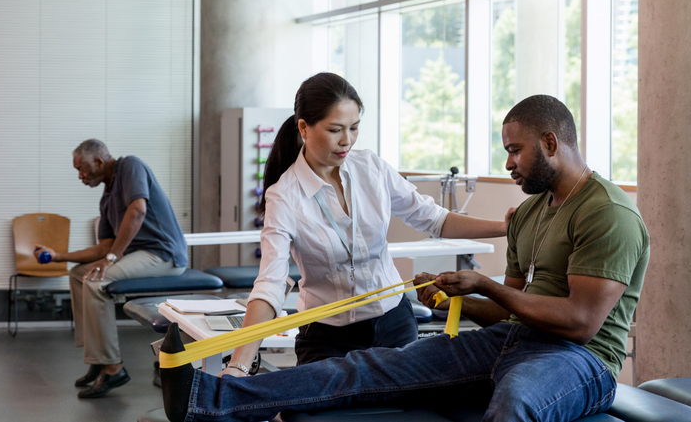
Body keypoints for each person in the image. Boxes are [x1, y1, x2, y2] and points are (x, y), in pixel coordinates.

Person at [161, 94, 649, 422]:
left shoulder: (606, 213)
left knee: (516, 399)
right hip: (512, 339)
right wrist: (449, 297)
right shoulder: (533, 212)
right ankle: (210, 399)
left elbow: (581, 323)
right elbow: (511, 305)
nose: (507, 164)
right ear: (305, 130)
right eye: (506, 151)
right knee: (367, 367)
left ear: (550, 143)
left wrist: (484, 285)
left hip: (580, 359)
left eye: (515, 151)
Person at [218, 73, 510, 379]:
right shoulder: (284, 196)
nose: (347, 140)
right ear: (304, 127)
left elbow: (434, 219)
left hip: (394, 324)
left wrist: (503, 227)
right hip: (327, 336)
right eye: (335, 130)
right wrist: (238, 365)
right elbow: (271, 284)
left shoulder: (371, 168)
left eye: (354, 128)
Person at [34, 139, 188, 399]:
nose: (80, 176)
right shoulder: (106, 198)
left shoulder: (130, 166)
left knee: (96, 282)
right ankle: (98, 357)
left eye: (81, 169)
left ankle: (113, 367)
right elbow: (102, 248)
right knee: (79, 275)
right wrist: (59, 255)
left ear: (99, 161)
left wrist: (112, 257)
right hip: (140, 255)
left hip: (163, 255)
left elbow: (137, 210)